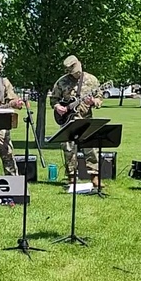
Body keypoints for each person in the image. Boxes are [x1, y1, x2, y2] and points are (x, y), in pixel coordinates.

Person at [50, 55, 103, 186]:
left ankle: (94, 176)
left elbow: (99, 99)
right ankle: (72, 176)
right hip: (68, 120)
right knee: (69, 148)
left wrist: (93, 102)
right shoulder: (62, 82)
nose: (75, 74)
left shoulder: (92, 80)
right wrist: (58, 107)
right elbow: (53, 99)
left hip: (86, 118)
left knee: (91, 147)